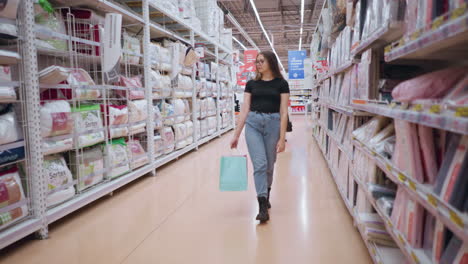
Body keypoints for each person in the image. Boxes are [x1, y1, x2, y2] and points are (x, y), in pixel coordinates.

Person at [230, 51, 290, 223]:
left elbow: (284, 112)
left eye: (262, 61)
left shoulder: (282, 84)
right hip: (253, 124)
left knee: (269, 166)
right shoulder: (251, 84)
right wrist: (236, 134)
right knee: (260, 164)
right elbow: (245, 109)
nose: (258, 64)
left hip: (273, 124)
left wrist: (282, 137)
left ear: (271, 62)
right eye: (256, 61)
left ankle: (267, 192)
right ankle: (262, 204)